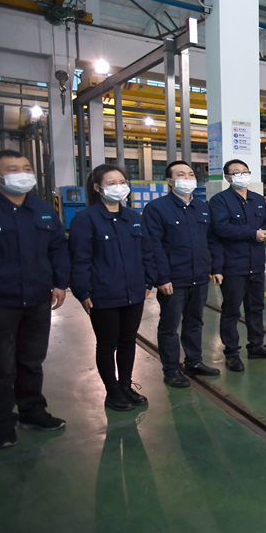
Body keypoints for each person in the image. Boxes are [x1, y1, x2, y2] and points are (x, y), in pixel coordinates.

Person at [0, 149, 69, 449]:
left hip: (37, 298)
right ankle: (1, 423)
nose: (22, 174)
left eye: (26, 168)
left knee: (32, 361)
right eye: (13, 169)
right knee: (0, 365)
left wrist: (60, 283)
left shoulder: (42, 209)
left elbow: (58, 247)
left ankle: (32, 412)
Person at [70, 164, 157, 411]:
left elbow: (147, 253)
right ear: (97, 188)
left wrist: (148, 281)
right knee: (107, 344)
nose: (119, 187)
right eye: (111, 183)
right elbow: (79, 260)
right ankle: (112, 391)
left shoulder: (134, 218)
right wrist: (83, 292)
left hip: (134, 292)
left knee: (128, 341)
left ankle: (126, 385)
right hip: (103, 294)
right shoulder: (85, 220)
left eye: (122, 182)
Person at [143, 160, 222, 388]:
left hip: (199, 276)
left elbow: (211, 240)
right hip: (173, 279)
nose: (187, 178)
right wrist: (162, 278)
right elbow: (153, 246)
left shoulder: (202, 207)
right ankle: (171, 370)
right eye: (181, 175)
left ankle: (194, 362)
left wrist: (216, 268)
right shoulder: (157, 208)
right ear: (170, 181)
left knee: (195, 322)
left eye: (190, 174)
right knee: (169, 327)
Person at [209, 159, 266, 372]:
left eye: (245, 171)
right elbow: (221, 228)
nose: (242, 175)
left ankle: (256, 346)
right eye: (236, 172)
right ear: (227, 177)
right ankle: (231, 353)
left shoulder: (257, 199)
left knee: (256, 308)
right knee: (231, 311)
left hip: (256, 265)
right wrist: (253, 233)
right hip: (233, 266)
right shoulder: (219, 201)